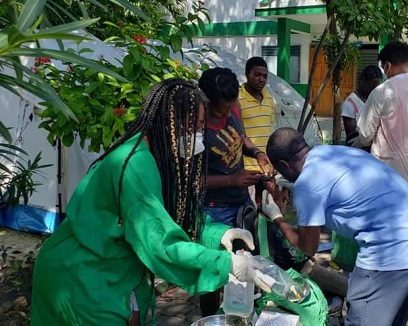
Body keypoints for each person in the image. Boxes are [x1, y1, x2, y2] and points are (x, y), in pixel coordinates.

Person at [30, 79, 269, 325]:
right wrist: (227, 263)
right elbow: (158, 242)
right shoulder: (137, 164)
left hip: (107, 267)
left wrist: (216, 233)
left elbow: (169, 214)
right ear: (172, 125)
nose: (201, 137)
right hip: (83, 276)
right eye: (197, 127)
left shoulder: (157, 158)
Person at [260, 127, 408, 326]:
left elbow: (307, 246)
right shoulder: (334, 153)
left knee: (361, 319)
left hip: (393, 252)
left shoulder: (307, 185)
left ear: (284, 165)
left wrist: (277, 217)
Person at [198, 67, 274, 316]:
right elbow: (191, 180)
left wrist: (259, 153)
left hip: (239, 203)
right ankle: (210, 318)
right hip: (213, 211)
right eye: (222, 109)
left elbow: (243, 139)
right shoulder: (197, 125)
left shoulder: (233, 107)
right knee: (213, 273)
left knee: (243, 267)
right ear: (207, 101)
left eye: (231, 107)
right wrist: (232, 180)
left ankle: (238, 316)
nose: (228, 112)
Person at [353, 41, 408, 193]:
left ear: (387, 66)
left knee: (384, 214)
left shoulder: (382, 92)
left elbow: (365, 136)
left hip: (386, 173)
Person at [238, 57, 276, 173]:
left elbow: (268, 130)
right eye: (257, 75)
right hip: (245, 166)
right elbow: (238, 134)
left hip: (266, 165)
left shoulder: (269, 98)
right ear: (247, 74)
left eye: (265, 76)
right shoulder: (237, 99)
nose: (261, 79)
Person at [342, 65, 383, 148]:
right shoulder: (350, 104)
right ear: (362, 82)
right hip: (358, 150)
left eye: (376, 89)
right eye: (372, 87)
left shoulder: (374, 101)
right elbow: (352, 136)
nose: (374, 92)